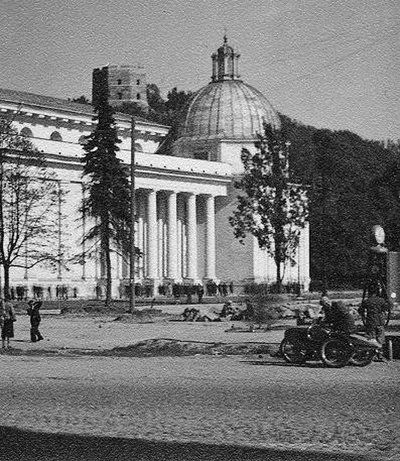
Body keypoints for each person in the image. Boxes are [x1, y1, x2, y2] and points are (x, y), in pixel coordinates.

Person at [358, 289, 389, 361]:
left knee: (371, 338)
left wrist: (364, 316)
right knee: (380, 338)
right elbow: (388, 307)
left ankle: (372, 355)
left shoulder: (367, 301)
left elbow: (360, 310)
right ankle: (380, 355)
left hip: (370, 321)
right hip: (380, 321)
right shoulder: (381, 300)